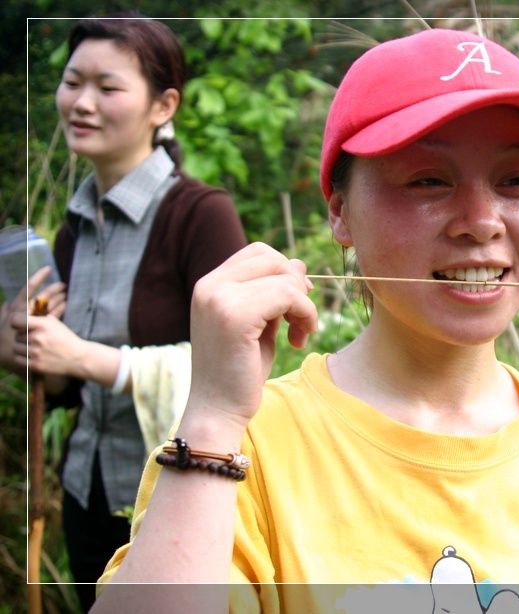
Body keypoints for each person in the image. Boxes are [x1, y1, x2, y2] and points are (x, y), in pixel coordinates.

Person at [93, 27, 519, 613]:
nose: (481, 220)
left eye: (516, 180)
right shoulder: (237, 450)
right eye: (428, 181)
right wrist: (211, 417)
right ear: (340, 212)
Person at [3, 15, 247, 612]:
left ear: (163, 106)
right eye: (71, 82)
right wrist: (29, 350)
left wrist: (81, 356)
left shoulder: (201, 215)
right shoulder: (75, 228)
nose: (81, 103)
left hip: (180, 491)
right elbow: (65, 388)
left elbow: (240, 364)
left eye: (108, 88)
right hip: (88, 490)